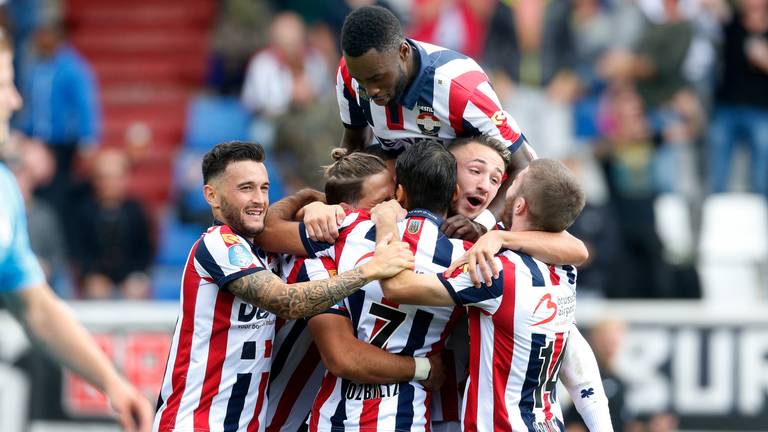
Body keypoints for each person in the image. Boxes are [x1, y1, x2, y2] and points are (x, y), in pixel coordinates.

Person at [152, 141, 414, 432]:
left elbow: (272, 224)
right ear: (211, 196)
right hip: (196, 424)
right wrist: (371, 270)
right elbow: (285, 301)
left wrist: (310, 199)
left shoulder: (267, 253)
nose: (259, 199)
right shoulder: (218, 244)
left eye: (264, 188)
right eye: (246, 188)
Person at [377, 159, 612, 431]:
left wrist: (385, 221)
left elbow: (397, 287)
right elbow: (577, 359)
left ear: (521, 206)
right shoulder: (565, 270)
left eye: (513, 183)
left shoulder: (496, 272)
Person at [0, 29, 153, 432]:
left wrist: (113, 383)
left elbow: (36, 306)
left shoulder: (5, 192)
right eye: (4, 85)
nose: (16, 100)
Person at [335, 5, 536, 218]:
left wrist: (482, 225)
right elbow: (354, 146)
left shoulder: (461, 88)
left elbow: (524, 166)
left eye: (377, 78)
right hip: (416, 209)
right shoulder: (351, 74)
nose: (370, 90)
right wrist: (335, 207)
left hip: (483, 212)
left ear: (403, 52)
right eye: (361, 81)